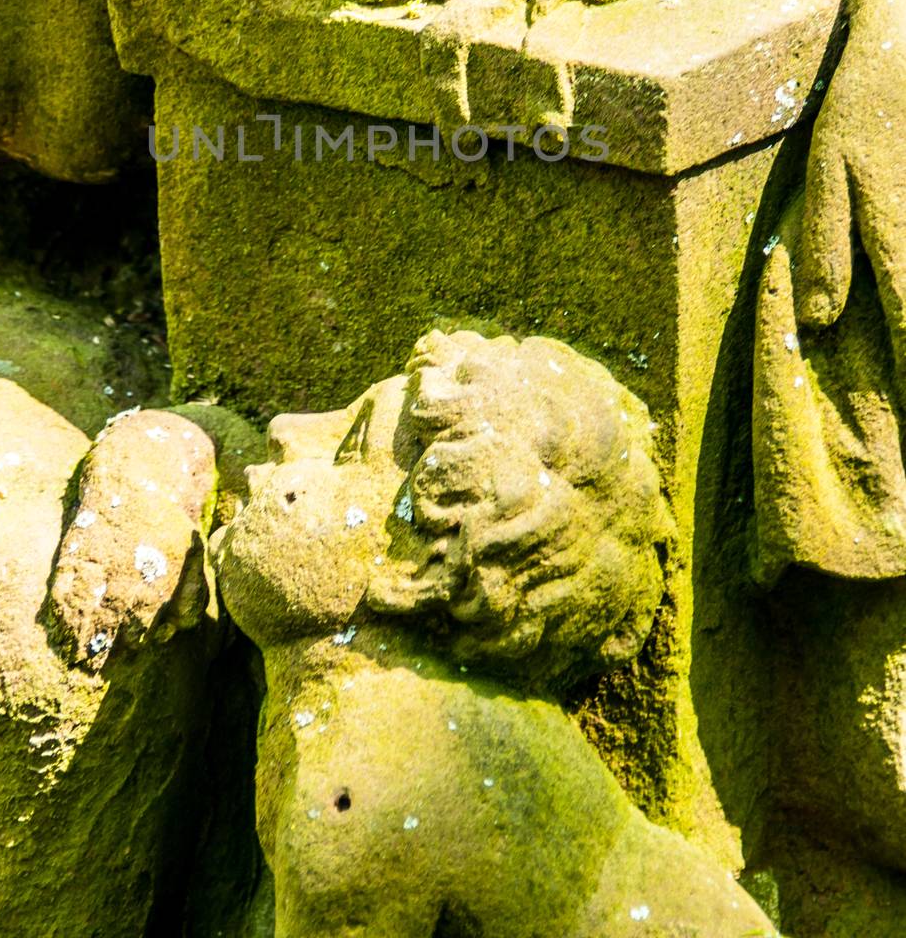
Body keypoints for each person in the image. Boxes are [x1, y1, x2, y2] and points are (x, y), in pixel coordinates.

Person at [213, 326, 775, 937]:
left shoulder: (367, 789)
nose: (286, 427)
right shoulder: (464, 734)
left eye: (349, 445)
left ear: (424, 570)